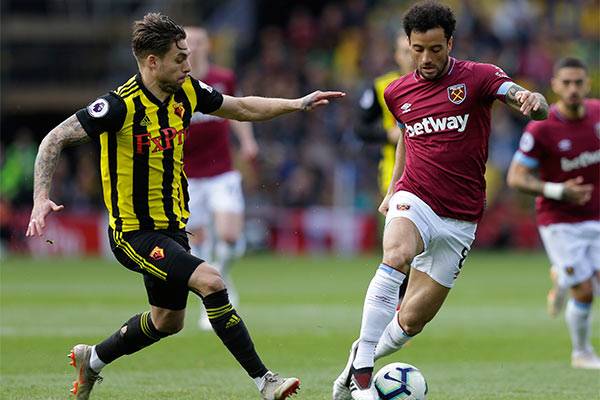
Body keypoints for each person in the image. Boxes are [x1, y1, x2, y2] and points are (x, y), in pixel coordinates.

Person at [25, 12, 344, 400]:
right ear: (152, 61)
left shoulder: (187, 91)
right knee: (211, 281)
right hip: (134, 233)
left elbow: (242, 108)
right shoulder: (118, 106)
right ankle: (266, 381)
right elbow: (53, 139)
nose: (188, 66)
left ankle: (91, 360)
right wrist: (40, 197)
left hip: (174, 228)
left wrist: (297, 104)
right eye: (179, 59)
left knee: (167, 321)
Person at [332, 2, 548, 399]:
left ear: (450, 43)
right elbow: (406, 139)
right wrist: (393, 189)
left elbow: (516, 94)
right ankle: (363, 373)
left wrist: (530, 97)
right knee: (396, 254)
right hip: (415, 196)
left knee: (411, 321)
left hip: (461, 217)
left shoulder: (479, 76)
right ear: (408, 45)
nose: (426, 58)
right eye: (417, 49)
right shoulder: (396, 91)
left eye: (435, 49)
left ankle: (356, 358)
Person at [507, 57, 599, 370]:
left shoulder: (598, 114)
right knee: (584, 291)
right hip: (560, 221)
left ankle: (561, 274)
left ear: (587, 84)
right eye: (567, 83)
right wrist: (560, 191)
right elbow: (516, 177)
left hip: (596, 215)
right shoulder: (541, 128)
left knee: (593, 284)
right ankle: (582, 353)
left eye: (578, 82)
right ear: (555, 86)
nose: (573, 89)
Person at [183, 26, 257, 330]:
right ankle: (211, 297)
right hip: (186, 174)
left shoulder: (223, 78)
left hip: (221, 170)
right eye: (188, 43)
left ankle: (221, 276)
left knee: (229, 236)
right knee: (197, 241)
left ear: (207, 46)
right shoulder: (176, 83)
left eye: (199, 42)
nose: (193, 48)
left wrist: (248, 142)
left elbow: (237, 110)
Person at [355, 31, 414, 307]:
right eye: (405, 51)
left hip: (434, 172)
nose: (411, 56)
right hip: (395, 173)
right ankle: (397, 302)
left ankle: (406, 302)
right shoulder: (382, 86)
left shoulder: (438, 85)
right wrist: (386, 135)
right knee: (399, 244)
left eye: (414, 50)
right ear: (396, 55)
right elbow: (360, 127)